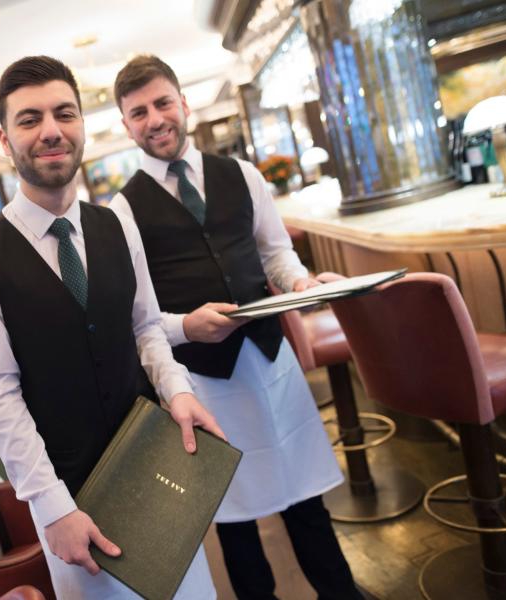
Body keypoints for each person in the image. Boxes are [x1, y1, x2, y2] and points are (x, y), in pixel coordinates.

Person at [0, 55, 223, 599]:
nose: (50, 131)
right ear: (5, 140)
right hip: (73, 499)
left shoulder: (117, 224)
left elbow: (145, 329)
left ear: (82, 129)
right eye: (30, 120)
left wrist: (179, 390)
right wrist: (52, 508)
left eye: (64, 114)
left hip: (151, 464)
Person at [110, 55, 362, 600]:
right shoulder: (122, 210)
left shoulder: (241, 174)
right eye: (139, 112)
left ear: (184, 103)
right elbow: (139, 317)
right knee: (233, 514)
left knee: (305, 495)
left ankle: (341, 592)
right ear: (125, 125)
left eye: (162, 103)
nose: (154, 119)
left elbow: (276, 254)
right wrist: (185, 328)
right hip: (203, 382)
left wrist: (299, 284)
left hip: (271, 362)